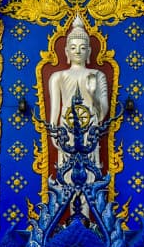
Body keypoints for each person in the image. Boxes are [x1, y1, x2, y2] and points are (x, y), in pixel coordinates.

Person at [47, 14, 109, 171]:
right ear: (66, 51)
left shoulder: (97, 75)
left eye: (82, 48)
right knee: (67, 169)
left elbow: (102, 111)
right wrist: (54, 132)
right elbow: (55, 110)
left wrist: (92, 93)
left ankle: (91, 194)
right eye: (73, 48)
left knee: (90, 168)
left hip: (90, 125)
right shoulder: (58, 77)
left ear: (88, 52)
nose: (78, 52)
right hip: (67, 125)